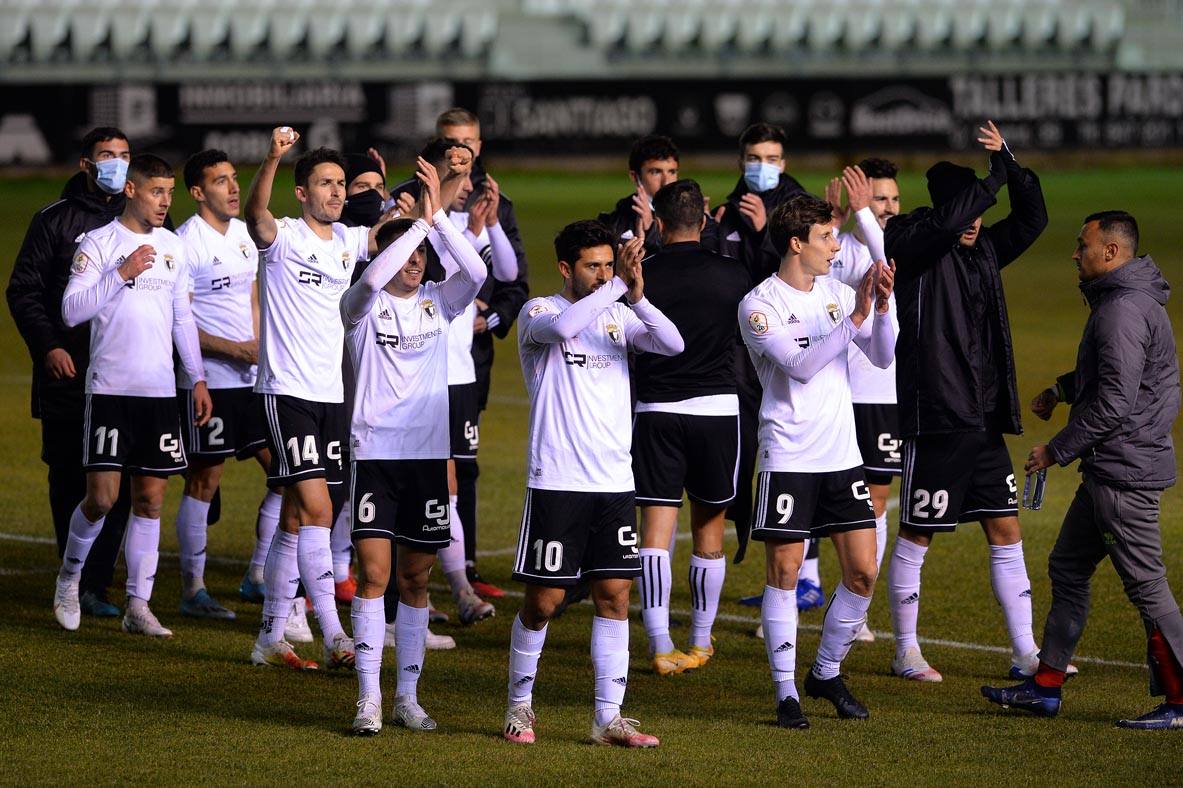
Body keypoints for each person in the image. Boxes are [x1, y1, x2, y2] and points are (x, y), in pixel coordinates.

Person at [982, 211, 1183, 730]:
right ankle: (1046, 687)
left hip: (1123, 472)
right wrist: (1062, 390)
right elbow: (1117, 374)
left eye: (1082, 245)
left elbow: (1116, 399)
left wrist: (1056, 449)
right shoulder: (1125, 303)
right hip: (1111, 469)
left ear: (1111, 252)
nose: (1075, 253)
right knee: (1068, 567)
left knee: (1147, 586)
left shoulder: (1121, 310)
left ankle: (1181, 702)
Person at [502, 220, 682, 747]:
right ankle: (519, 705)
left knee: (614, 598)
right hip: (557, 481)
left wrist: (639, 297)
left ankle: (608, 718)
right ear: (566, 268)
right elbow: (562, 332)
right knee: (545, 602)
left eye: (610, 263)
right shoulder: (541, 312)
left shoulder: (618, 316)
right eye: (594, 266)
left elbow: (672, 344)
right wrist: (616, 287)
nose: (605, 273)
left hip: (613, 481)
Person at [883, 121, 1049, 683]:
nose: (976, 221)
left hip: (982, 420)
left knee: (1005, 529)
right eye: (967, 210)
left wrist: (1009, 161)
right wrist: (990, 180)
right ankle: (905, 649)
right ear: (944, 211)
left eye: (979, 209)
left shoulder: (983, 251)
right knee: (918, 532)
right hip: (937, 418)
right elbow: (950, 219)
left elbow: (1033, 220)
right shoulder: (913, 245)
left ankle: (1025, 651)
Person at [739, 194, 895, 728]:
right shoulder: (758, 304)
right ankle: (786, 694)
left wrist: (881, 308)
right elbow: (802, 366)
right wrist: (856, 314)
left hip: (842, 456)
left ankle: (825, 672)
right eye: (828, 236)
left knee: (863, 573)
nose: (836, 245)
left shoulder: (836, 292)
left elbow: (882, 355)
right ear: (796, 243)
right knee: (784, 573)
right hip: (788, 455)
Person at [345, 158, 487, 735]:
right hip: (375, 455)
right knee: (374, 576)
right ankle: (367, 700)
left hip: (427, 458)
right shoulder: (361, 305)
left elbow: (475, 275)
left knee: (415, 581)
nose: (414, 266)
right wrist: (411, 233)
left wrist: (435, 220)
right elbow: (372, 279)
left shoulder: (438, 302)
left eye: (421, 259)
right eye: (406, 257)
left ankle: (407, 696)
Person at [244, 127, 389, 671]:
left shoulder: (349, 241)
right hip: (287, 393)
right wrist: (273, 155)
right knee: (320, 511)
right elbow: (256, 211)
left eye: (340, 184)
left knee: (294, 518)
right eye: (325, 184)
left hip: (331, 397)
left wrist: (442, 187)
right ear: (301, 193)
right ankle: (333, 634)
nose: (335, 192)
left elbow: (391, 237)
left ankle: (269, 637)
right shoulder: (280, 235)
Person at [52, 153, 211, 638]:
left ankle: (138, 604)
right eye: (156, 191)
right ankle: (70, 579)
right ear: (131, 191)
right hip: (110, 390)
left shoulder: (172, 246)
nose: (166, 201)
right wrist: (119, 274)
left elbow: (182, 317)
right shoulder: (99, 243)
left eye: (169, 192)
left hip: (159, 392)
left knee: (151, 498)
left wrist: (198, 377)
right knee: (102, 498)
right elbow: (71, 311)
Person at [7, 127, 134, 619]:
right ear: (85, 164)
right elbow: (24, 292)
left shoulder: (142, 220)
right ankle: (74, 575)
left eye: (125, 156)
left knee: (119, 476)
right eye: (107, 156)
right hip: (68, 372)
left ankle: (98, 583)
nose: (117, 164)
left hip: (123, 372)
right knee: (68, 475)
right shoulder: (54, 222)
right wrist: (49, 347)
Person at [631, 179, 751, 675]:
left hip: (656, 412)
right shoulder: (735, 275)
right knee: (709, 529)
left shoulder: (642, 275)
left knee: (655, 532)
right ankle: (700, 642)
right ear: (704, 221)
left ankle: (660, 644)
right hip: (717, 413)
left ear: (657, 223)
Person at [384, 139, 496, 629]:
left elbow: (484, 272)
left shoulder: (446, 233)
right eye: (456, 172)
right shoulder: (403, 228)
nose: (464, 181)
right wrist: (433, 201)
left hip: (452, 378)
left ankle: (451, 588)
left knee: (448, 482)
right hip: (406, 382)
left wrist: (447, 218)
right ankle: (395, 594)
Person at [171, 149, 276, 621]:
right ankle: (193, 589)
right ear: (198, 192)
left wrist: (256, 347)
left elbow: (251, 297)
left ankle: (257, 576)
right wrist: (233, 351)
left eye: (234, 179)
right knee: (204, 479)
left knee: (285, 473)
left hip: (252, 379)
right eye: (221, 181)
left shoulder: (243, 236)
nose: (234, 188)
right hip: (209, 381)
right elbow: (179, 321)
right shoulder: (185, 243)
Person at [436, 107, 530, 598]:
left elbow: (514, 279)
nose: (460, 151)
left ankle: (464, 566)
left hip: (471, 358)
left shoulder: (497, 203)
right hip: (421, 357)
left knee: (462, 463)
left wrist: (487, 317)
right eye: (452, 141)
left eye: (468, 142)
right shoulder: (423, 198)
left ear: (479, 145)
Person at [806, 160, 900, 639]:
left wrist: (862, 217)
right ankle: (803, 583)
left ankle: (856, 605)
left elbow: (884, 259)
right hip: (837, 393)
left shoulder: (890, 245)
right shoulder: (834, 247)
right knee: (819, 495)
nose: (884, 207)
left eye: (891, 199)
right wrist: (841, 224)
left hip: (883, 394)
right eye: (876, 197)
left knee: (877, 500)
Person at [714, 123, 806, 572]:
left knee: (795, 445)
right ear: (741, 161)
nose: (762, 167)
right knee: (745, 440)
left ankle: (804, 575)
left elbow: (802, 275)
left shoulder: (798, 210)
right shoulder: (727, 210)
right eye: (754, 158)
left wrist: (765, 230)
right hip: (740, 346)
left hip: (789, 340)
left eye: (771, 159)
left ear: (783, 164)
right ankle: (745, 524)